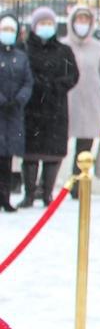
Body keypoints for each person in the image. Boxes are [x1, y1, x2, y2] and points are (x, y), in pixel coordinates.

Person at [18, 7, 78, 208]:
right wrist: (38, 84)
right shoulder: (25, 50)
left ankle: (47, 193)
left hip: (56, 108)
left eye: (49, 23)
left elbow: (73, 76)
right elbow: (23, 75)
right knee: (31, 154)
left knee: (53, 154)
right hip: (32, 109)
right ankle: (29, 193)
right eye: (42, 23)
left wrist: (54, 86)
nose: (46, 27)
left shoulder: (64, 51)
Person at [63, 4, 100, 198]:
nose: (82, 24)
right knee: (61, 146)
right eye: (79, 20)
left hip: (92, 104)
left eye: (86, 20)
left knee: (85, 148)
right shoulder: (64, 45)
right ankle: (54, 182)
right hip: (68, 102)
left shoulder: (97, 47)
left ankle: (79, 184)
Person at [0, 11, 34, 212]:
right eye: (4, 29)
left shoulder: (21, 57)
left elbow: (28, 82)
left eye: (11, 29)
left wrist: (18, 100)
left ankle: (5, 197)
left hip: (13, 115)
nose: (8, 33)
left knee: (7, 160)